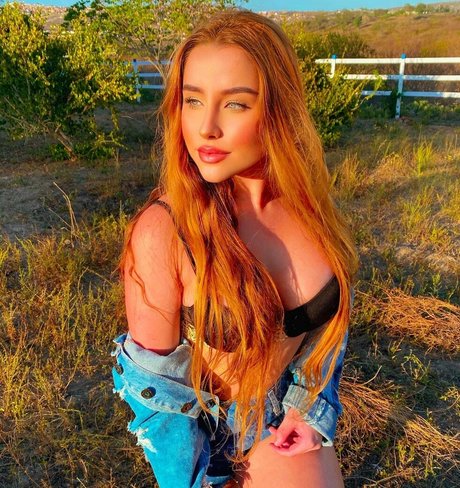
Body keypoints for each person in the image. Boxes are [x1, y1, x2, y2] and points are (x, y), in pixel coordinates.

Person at [111, 9, 357, 488]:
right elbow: (157, 405)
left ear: (279, 109)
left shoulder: (310, 206)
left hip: (283, 425)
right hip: (214, 449)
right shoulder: (166, 231)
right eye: (193, 100)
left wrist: (309, 408)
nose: (206, 127)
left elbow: (328, 332)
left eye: (236, 104)